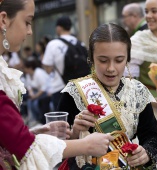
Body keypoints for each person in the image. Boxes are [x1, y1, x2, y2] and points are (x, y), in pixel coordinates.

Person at [0, 0, 115, 169]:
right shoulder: (78, 43)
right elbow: (25, 148)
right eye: (27, 22)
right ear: (4, 20)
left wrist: (34, 133)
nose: (30, 31)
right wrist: (87, 145)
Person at [57, 23, 157, 169]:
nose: (111, 68)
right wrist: (76, 131)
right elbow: (55, 147)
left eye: (119, 60)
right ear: (91, 58)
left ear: (128, 58)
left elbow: (153, 138)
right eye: (103, 60)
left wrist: (145, 153)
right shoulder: (75, 92)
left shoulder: (137, 91)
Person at [124, 0, 157, 169]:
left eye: (154, 11)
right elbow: (128, 83)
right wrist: (153, 101)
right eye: (146, 11)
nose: (148, 16)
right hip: (152, 114)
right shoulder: (138, 41)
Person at [42, 15, 89, 110]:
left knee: (62, 120)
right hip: (79, 89)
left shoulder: (53, 44)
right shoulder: (80, 43)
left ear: (59, 28)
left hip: (59, 88)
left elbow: (48, 69)